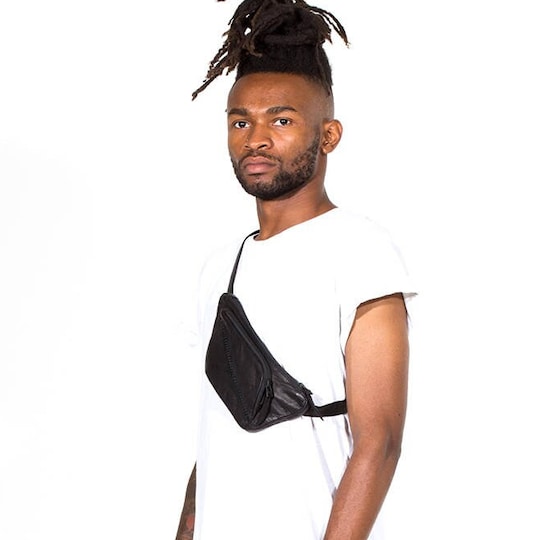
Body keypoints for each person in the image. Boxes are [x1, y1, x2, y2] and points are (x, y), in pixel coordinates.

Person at [176, 1, 416, 538]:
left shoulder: (361, 252)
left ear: (328, 135)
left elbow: (379, 444)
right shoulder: (220, 267)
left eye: (281, 120)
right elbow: (217, 430)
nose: (256, 138)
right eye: (241, 121)